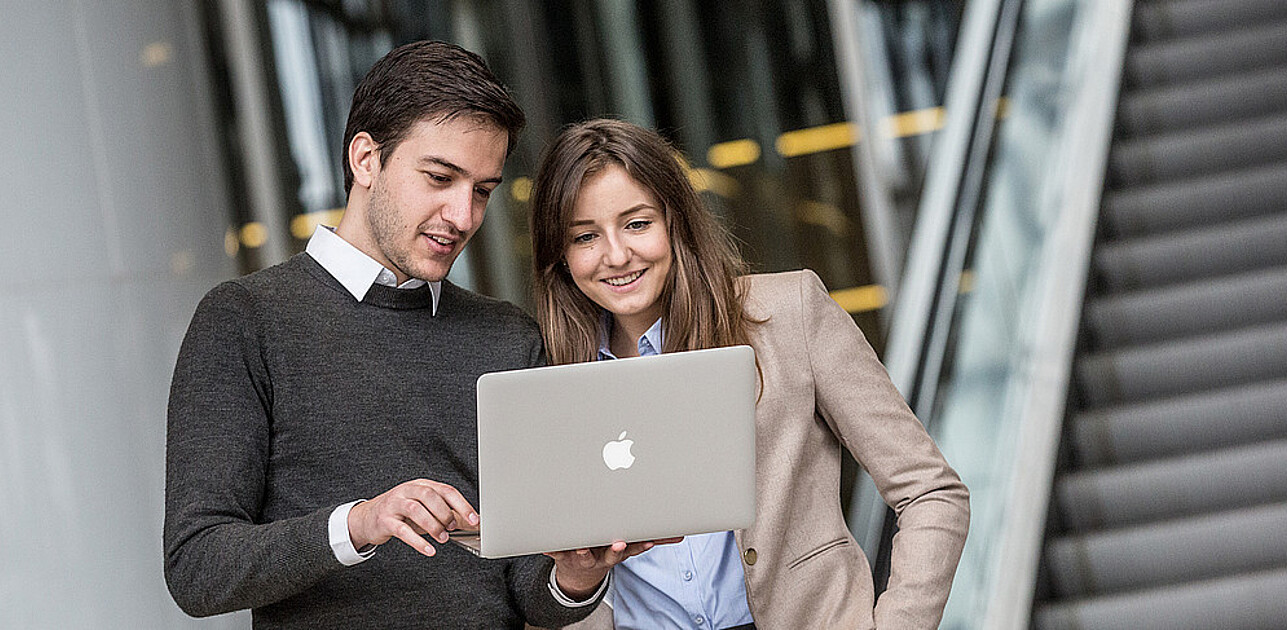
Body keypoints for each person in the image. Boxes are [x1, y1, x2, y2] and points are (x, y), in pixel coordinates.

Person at [164, 42, 646, 630]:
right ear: (366, 159)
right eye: (440, 177)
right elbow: (197, 568)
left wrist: (577, 575)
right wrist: (359, 524)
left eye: (482, 190)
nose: (463, 215)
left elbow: (530, 592)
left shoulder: (508, 337)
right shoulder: (244, 320)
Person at [528, 119, 971, 630]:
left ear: (675, 221)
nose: (616, 255)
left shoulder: (789, 313)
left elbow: (931, 491)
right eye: (585, 236)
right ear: (560, 256)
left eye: (637, 224)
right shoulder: (548, 376)